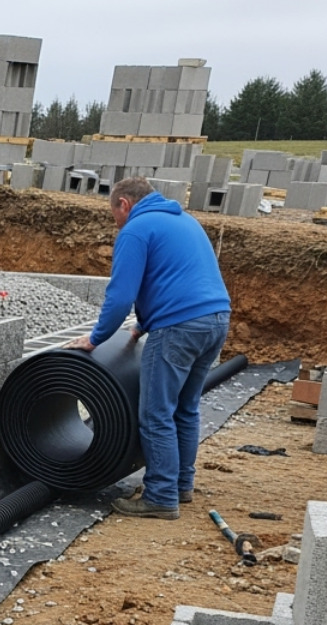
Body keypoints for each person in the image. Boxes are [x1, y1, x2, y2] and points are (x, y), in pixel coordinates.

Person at [64, 177, 233, 520]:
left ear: (124, 204)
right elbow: (175, 278)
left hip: (178, 328)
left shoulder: (136, 229)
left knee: (156, 412)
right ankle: (181, 485)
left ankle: (160, 496)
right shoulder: (184, 221)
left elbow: (120, 295)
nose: (116, 222)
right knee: (185, 408)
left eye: (114, 213)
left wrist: (96, 339)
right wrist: (142, 325)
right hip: (216, 320)